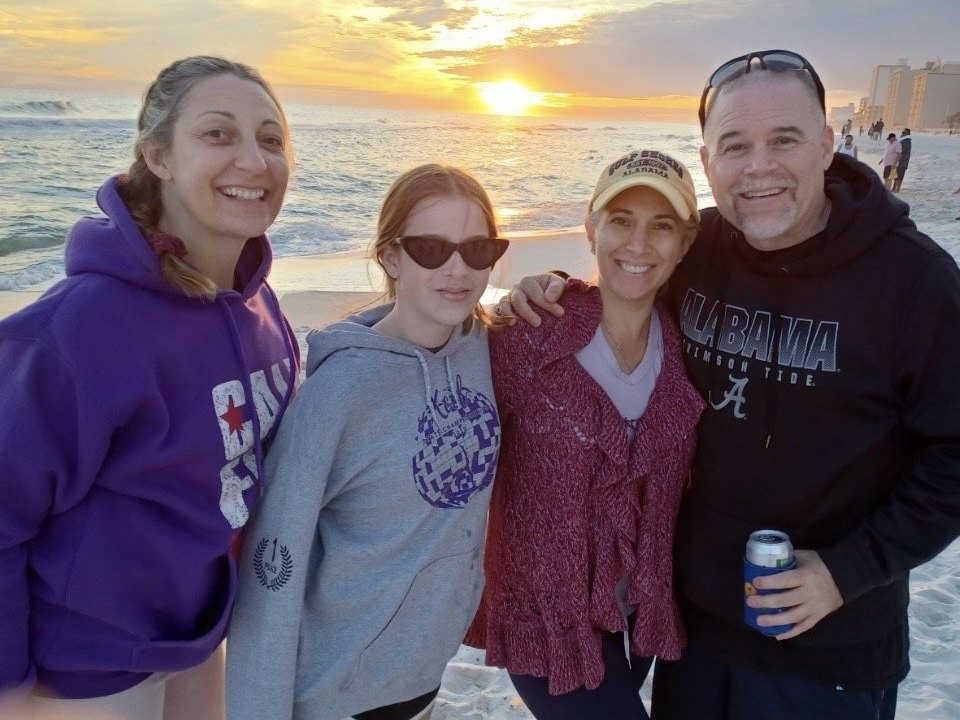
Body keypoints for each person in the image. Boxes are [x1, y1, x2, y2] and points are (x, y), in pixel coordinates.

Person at [499, 49, 960, 719]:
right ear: (710, 160)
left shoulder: (914, 282)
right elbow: (628, 293)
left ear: (829, 145)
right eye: (735, 145)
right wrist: (549, 294)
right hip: (696, 631)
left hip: (830, 644)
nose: (759, 167)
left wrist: (848, 570)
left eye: (785, 140)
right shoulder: (699, 248)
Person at [0, 56, 299, 718]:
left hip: (199, 641)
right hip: (80, 674)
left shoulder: (261, 306)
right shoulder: (78, 330)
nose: (254, 160)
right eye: (218, 134)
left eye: (271, 138)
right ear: (158, 155)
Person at [225, 164, 508, 720]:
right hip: (338, 686)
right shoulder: (339, 392)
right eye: (431, 248)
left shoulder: (484, 348)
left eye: (478, 249)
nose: (457, 269)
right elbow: (274, 559)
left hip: (423, 669)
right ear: (391, 257)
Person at [465, 149, 704, 718]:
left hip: (637, 613)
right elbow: (433, 377)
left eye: (661, 225)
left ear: (686, 242)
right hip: (546, 622)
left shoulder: (686, 347)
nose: (639, 244)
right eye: (621, 220)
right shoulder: (527, 335)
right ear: (591, 228)